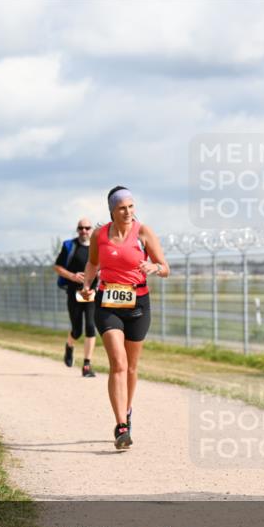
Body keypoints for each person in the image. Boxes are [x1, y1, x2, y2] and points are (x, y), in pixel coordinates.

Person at [80, 186, 170, 450]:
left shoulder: (143, 232)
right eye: (122, 208)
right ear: (112, 210)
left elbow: (166, 268)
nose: (128, 212)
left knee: (131, 367)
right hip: (107, 303)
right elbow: (93, 264)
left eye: (131, 206)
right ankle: (121, 425)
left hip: (138, 304)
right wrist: (87, 284)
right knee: (117, 363)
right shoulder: (99, 235)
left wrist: (154, 267)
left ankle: (127, 410)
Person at [55, 217, 98, 377]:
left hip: (92, 293)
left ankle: (87, 365)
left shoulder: (97, 247)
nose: (84, 231)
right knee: (77, 330)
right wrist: (72, 276)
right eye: (81, 228)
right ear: (77, 230)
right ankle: (69, 345)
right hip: (75, 292)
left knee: (91, 326)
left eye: (87, 228)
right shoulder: (70, 246)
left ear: (92, 229)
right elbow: (57, 267)